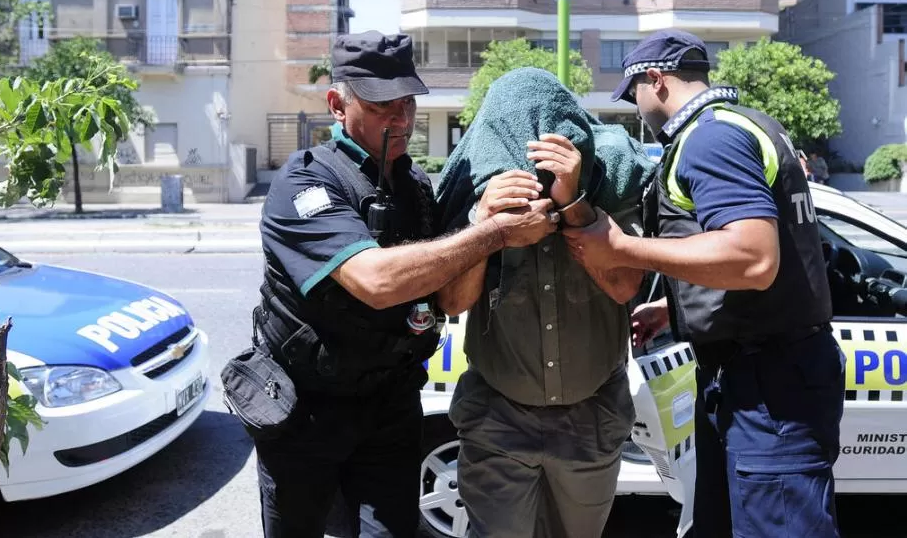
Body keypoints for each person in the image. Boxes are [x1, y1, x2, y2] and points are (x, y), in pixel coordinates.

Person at [245, 31, 558, 538]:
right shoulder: (306, 184)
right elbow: (375, 280)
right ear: (337, 105)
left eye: (407, 102)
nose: (401, 119)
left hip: (388, 407)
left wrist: (484, 219)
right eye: (381, 104)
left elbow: (454, 299)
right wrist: (492, 232)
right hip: (307, 413)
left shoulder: (417, 190)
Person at [565, 29, 846, 537]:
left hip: (769, 383)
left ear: (655, 80)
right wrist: (674, 310)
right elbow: (768, 260)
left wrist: (621, 248)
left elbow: (753, 257)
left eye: (635, 96)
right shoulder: (749, 123)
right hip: (760, 370)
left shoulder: (710, 138)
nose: (638, 109)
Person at [434, 67, 656, 538]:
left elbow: (624, 286)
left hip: (590, 421)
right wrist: (487, 225)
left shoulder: (608, 183)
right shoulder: (480, 195)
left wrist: (574, 203)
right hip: (498, 420)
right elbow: (453, 303)